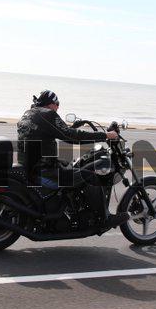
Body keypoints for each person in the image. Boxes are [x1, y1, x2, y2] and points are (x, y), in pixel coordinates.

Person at [17, 89, 129, 229]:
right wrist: (105, 135)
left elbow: (57, 132)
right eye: (57, 104)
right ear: (51, 103)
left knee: (73, 165)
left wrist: (70, 129)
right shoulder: (48, 114)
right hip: (46, 170)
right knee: (91, 176)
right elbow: (72, 137)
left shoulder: (30, 113)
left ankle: (71, 207)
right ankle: (104, 219)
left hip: (31, 165)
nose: (58, 107)